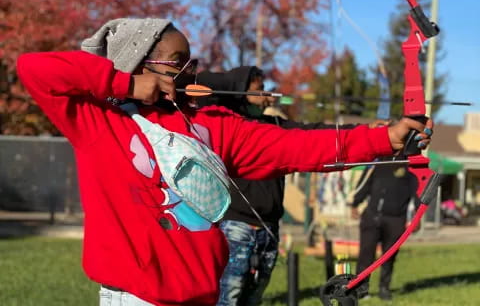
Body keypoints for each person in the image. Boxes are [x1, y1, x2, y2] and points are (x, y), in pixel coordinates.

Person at [17, 17, 433, 306]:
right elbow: (34, 68)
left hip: (203, 291)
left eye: (192, 63)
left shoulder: (213, 125)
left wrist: (386, 138)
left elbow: (296, 147)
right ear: (143, 62)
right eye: (180, 64)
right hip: (134, 295)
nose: (191, 73)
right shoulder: (99, 120)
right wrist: (123, 83)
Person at [196, 65, 363, 306]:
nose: (266, 94)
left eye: (265, 88)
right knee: (227, 297)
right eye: (258, 88)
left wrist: (365, 131)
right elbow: (206, 82)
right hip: (235, 225)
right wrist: (240, 91)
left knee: (253, 298)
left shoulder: (275, 124)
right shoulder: (226, 121)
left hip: (269, 227)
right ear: (239, 90)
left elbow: (314, 132)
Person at [350, 163, 420, 301]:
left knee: (389, 256)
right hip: (371, 216)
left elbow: (417, 192)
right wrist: (355, 203)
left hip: (396, 218)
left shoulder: (410, 166)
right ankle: (361, 290)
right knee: (365, 254)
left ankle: (384, 288)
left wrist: (417, 216)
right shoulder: (376, 162)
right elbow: (364, 183)